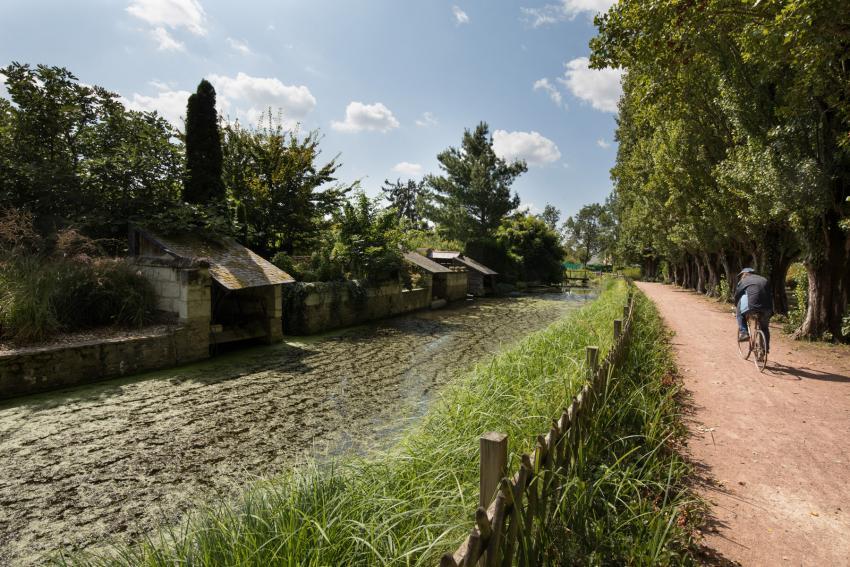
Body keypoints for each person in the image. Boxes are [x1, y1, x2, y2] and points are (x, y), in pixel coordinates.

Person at [734, 268, 773, 353]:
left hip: (753, 307)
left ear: (744, 274)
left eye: (741, 275)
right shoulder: (764, 279)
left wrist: (736, 305)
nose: (741, 277)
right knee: (764, 328)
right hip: (768, 308)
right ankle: (765, 349)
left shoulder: (744, 281)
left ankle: (744, 332)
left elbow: (737, 295)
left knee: (739, 312)